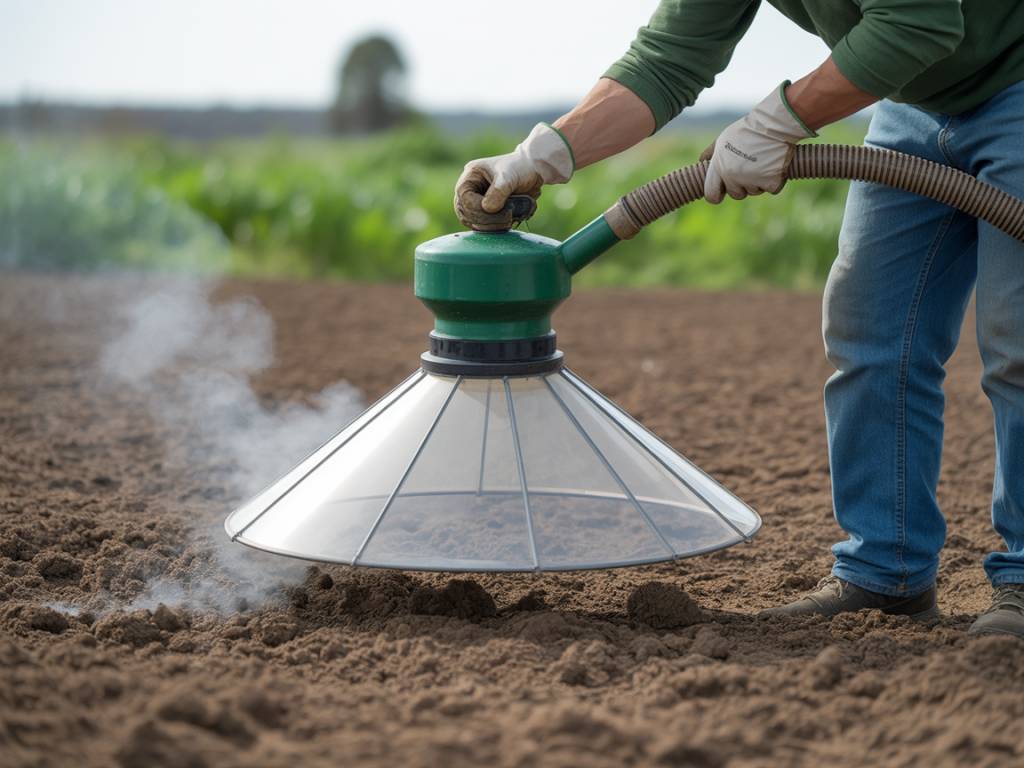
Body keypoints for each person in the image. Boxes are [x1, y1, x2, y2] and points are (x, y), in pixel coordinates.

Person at [453, 1, 1024, 638]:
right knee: (871, 330)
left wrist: (779, 118)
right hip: (910, 105)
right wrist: (542, 154)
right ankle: (886, 574)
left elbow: (919, 22)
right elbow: (669, 57)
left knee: (1018, 340)